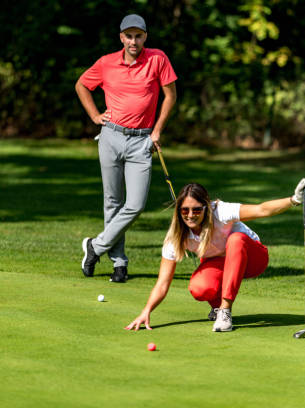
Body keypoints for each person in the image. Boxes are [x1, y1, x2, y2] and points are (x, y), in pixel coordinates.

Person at [125, 179, 305, 332]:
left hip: (253, 258)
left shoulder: (220, 211)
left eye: (197, 209)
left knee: (236, 239)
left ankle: (225, 310)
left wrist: (294, 199)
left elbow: (261, 209)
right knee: (200, 287)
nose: (191, 215)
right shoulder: (175, 237)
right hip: (222, 263)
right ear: (179, 211)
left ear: (206, 207)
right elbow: (163, 282)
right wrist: (146, 311)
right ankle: (217, 307)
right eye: (185, 210)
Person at [76, 14, 177, 283]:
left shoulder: (158, 59)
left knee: (135, 204)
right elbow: (82, 85)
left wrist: (157, 130)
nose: (134, 41)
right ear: (121, 37)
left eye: (139, 35)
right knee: (112, 202)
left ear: (145, 37)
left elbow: (171, 95)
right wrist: (95, 116)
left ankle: (95, 247)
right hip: (111, 137)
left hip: (141, 140)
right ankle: (119, 263)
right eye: (129, 36)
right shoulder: (107, 62)